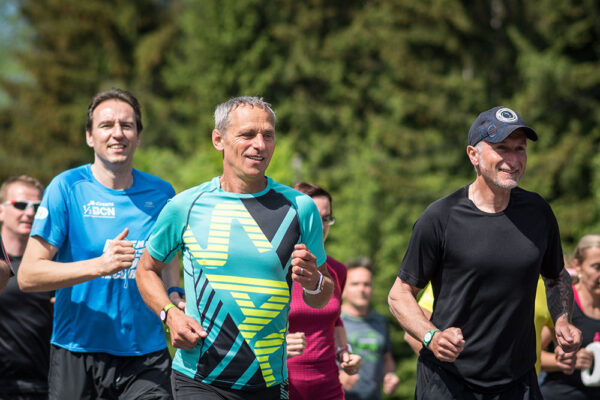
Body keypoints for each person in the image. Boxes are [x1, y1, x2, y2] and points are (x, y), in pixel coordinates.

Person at [136, 96, 334, 400]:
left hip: (269, 382)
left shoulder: (300, 208)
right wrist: (169, 314)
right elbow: (146, 269)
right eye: (248, 134)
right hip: (199, 379)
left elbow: (321, 297)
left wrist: (313, 282)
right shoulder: (185, 206)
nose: (260, 144)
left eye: (268, 135)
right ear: (219, 139)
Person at [388, 106, 582, 399]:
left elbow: (556, 279)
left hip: (517, 382)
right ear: (473, 155)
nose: (513, 160)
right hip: (449, 381)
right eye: (502, 148)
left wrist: (563, 321)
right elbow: (399, 294)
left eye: (520, 149)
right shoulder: (441, 217)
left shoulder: (538, 212)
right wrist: (432, 337)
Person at [18, 88, 181, 400]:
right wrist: (100, 266)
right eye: (106, 125)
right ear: (90, 136)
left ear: (138, 136)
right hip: (77, 350)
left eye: (127, 125)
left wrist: (174, 294)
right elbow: (28, 275)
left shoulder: (163, 193)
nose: (117, 133)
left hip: (145, 354)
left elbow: (168, 256)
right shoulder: (66, 188)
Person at [286, 182, 361, 399]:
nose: (321, 225)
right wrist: (278, 344)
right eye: (312, 217)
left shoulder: (337, 271)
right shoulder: (273, 270)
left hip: (329, 389)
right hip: (281, 387)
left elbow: (334, 320)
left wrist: (345, 353)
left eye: (326, 218)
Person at [405, 277, 554, 375]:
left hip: (522, 389)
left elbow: (558, 337)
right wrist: (448, 374)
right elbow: (413, 335)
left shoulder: (548, 284)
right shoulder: (461, 270)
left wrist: (563, 354)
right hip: (461, 391)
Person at [0, 176, 54, 399]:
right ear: (1, 211)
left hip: (44, 385)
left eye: (38, 207)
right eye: (20, 205)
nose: (30, 213)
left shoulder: (55, 265)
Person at [540, 234, 600, 399]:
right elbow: (532, 353)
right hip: (563, 394)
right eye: (597, 267)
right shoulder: (563, 305)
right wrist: (562, 361)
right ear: (578, 266)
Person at [339, 256, 399, 400]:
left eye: (367, 284)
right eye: (355, 284)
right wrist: (337, 376)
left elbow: (386, 359)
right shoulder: (333, 320)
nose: (362, 289)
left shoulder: (381, 322)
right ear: (343, 289)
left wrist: (390, 375)